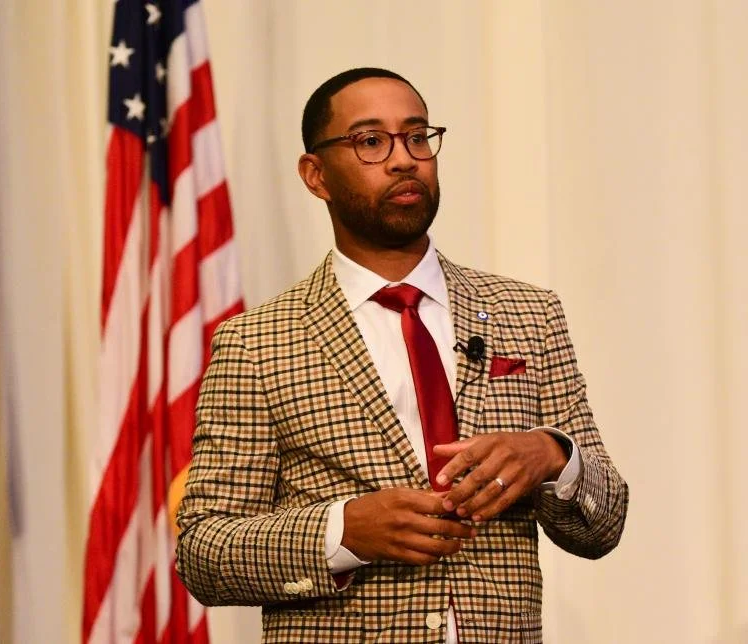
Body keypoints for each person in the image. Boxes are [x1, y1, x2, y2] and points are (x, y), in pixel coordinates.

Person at [176, 67, 628, 643]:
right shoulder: (257, 341)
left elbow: (604, 522)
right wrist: (342, 531)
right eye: (371, 141)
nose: (404, 159)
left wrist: (551, 456)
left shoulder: (529, 314)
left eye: (418, 137)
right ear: (316, 175)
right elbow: (202, 551)